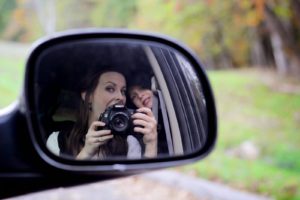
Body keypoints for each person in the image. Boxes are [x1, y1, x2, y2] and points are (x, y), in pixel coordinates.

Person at [46, 67, 158, 159]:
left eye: (123, 91)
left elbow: (137, 184)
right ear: (88, 96)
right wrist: (86, 153)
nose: (120, 97)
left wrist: (151, 144)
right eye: (110, 88)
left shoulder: (129, 144)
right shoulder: (58, 140)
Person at [128, 73, 169, 155]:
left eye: (142, 88)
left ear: (153, 86)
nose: (139, 95)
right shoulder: (140, 130)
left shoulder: (169, 111)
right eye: (134, 96)